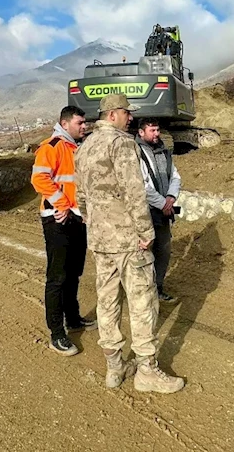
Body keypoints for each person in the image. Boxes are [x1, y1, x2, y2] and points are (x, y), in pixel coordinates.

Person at [74, 93, 185, 393]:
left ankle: (115, 367)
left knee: (107, 301)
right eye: (127, 112)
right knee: (142, 301)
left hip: (100, 240)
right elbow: (134, 192)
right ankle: (146, 370)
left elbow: (81, 195)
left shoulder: (84, 147)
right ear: (113, 114)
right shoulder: (121, 143)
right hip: (127, 240)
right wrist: (146, 232)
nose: (130, 117)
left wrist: (92, 222)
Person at [31, 106, 97, 357]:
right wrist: (62, 205)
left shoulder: (75, 148)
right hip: (58, 220)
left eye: (85, 122)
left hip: (77, 219)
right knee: (57, 277)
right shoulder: (52, 147)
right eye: (80, 122)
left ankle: (74, 319)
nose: (84, 126)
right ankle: (57, 333)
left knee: (73, 274)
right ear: (65, 123)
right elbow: (39, 179)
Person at [135, 118, 181, 304]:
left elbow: (175, 176)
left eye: (157, 130)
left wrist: (170, 197)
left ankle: (157, 288)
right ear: (141, 132)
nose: (156, 134)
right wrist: (163, 204)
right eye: (152, 130)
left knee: (164, 251)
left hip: (163, 212)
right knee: (145, 254)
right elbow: (142, 186)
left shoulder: (164, 151)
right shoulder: (137, 153)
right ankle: (143, 293)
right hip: (146, 213)